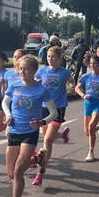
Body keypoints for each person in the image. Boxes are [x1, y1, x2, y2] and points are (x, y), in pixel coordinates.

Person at [1, 54, 57, 197]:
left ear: (34, 70)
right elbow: (5, 103)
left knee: (18, 171)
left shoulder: (41, 90)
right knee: (11, 173)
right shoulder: (15, 85)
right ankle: (37, 158)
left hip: (29, 132)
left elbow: (54, 113)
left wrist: (41, 122)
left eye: (26, 69)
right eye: (20, 68)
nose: (22, 71)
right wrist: (8, 115)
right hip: (13, 130)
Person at [31, 46, 74, 186]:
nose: (50, 59)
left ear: (59, 58)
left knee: (48, 140)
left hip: (58, 108)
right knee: (46, 137)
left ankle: (41, 171)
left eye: (53, 56)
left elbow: (71, 80)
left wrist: (72, 86)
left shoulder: (64, 72)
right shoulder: (42, 70)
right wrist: (35, 83)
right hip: (43, 108)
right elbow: (34, 81)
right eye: (48, 56)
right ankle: (62, 136)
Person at [75, 54, 99, 162]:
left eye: (95, 63)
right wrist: (83, 95)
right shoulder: (86, 76)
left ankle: (91, 152)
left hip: (98, 104)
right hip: (88, 104)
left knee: (91, 125)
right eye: (91, 63)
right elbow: (77, 88)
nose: (93, 65)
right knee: (87, 131)